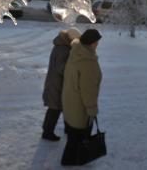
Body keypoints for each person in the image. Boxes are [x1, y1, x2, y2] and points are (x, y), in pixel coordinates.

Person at [61, 28, 103, 166]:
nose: (97, 44)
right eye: (96, 42)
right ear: (91, 43)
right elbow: (88, 90)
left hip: (70, 102)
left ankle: (70, 159)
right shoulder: (88, 61)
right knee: (78, 138)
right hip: (80, 107)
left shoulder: (76, 52)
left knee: (73, 137)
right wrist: (92, 110)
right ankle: (71, 161)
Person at [41, 28, 81, 141]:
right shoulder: (63, 49)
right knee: (55, 109)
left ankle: (67, 129)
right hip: (56, 84)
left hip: (57, 83)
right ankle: (47, 132)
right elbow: (61, 68)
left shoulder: (62, 46)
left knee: (63, 108)